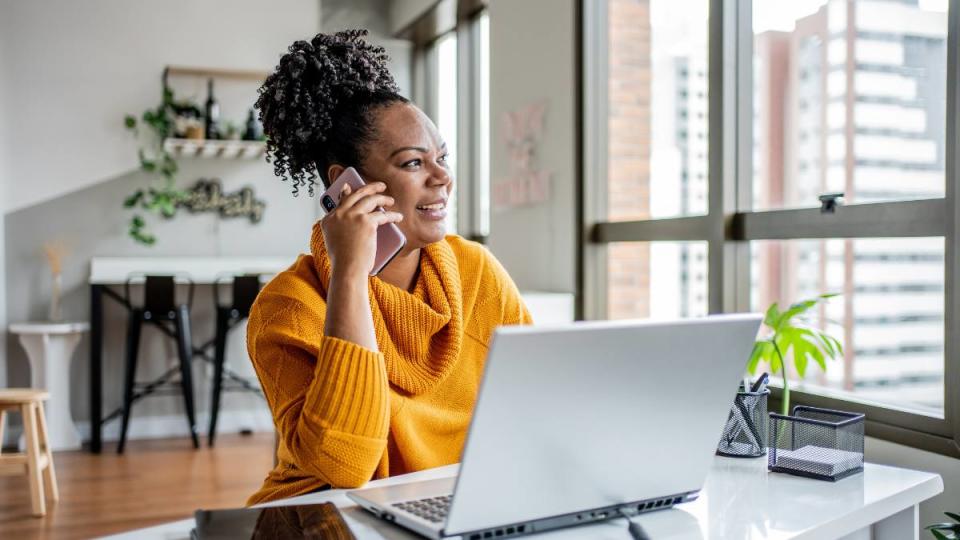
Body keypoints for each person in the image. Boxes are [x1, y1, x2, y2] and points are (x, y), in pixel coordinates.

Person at [245, 29, 532, 505]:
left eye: (441, 158)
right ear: (347, 186)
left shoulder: (476, 272)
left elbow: (534, 405)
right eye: (413, 162)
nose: (442, 177)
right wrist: (350, 276)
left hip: (452, 507)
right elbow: (344, 465)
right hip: (323, 519)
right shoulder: (285, 309)